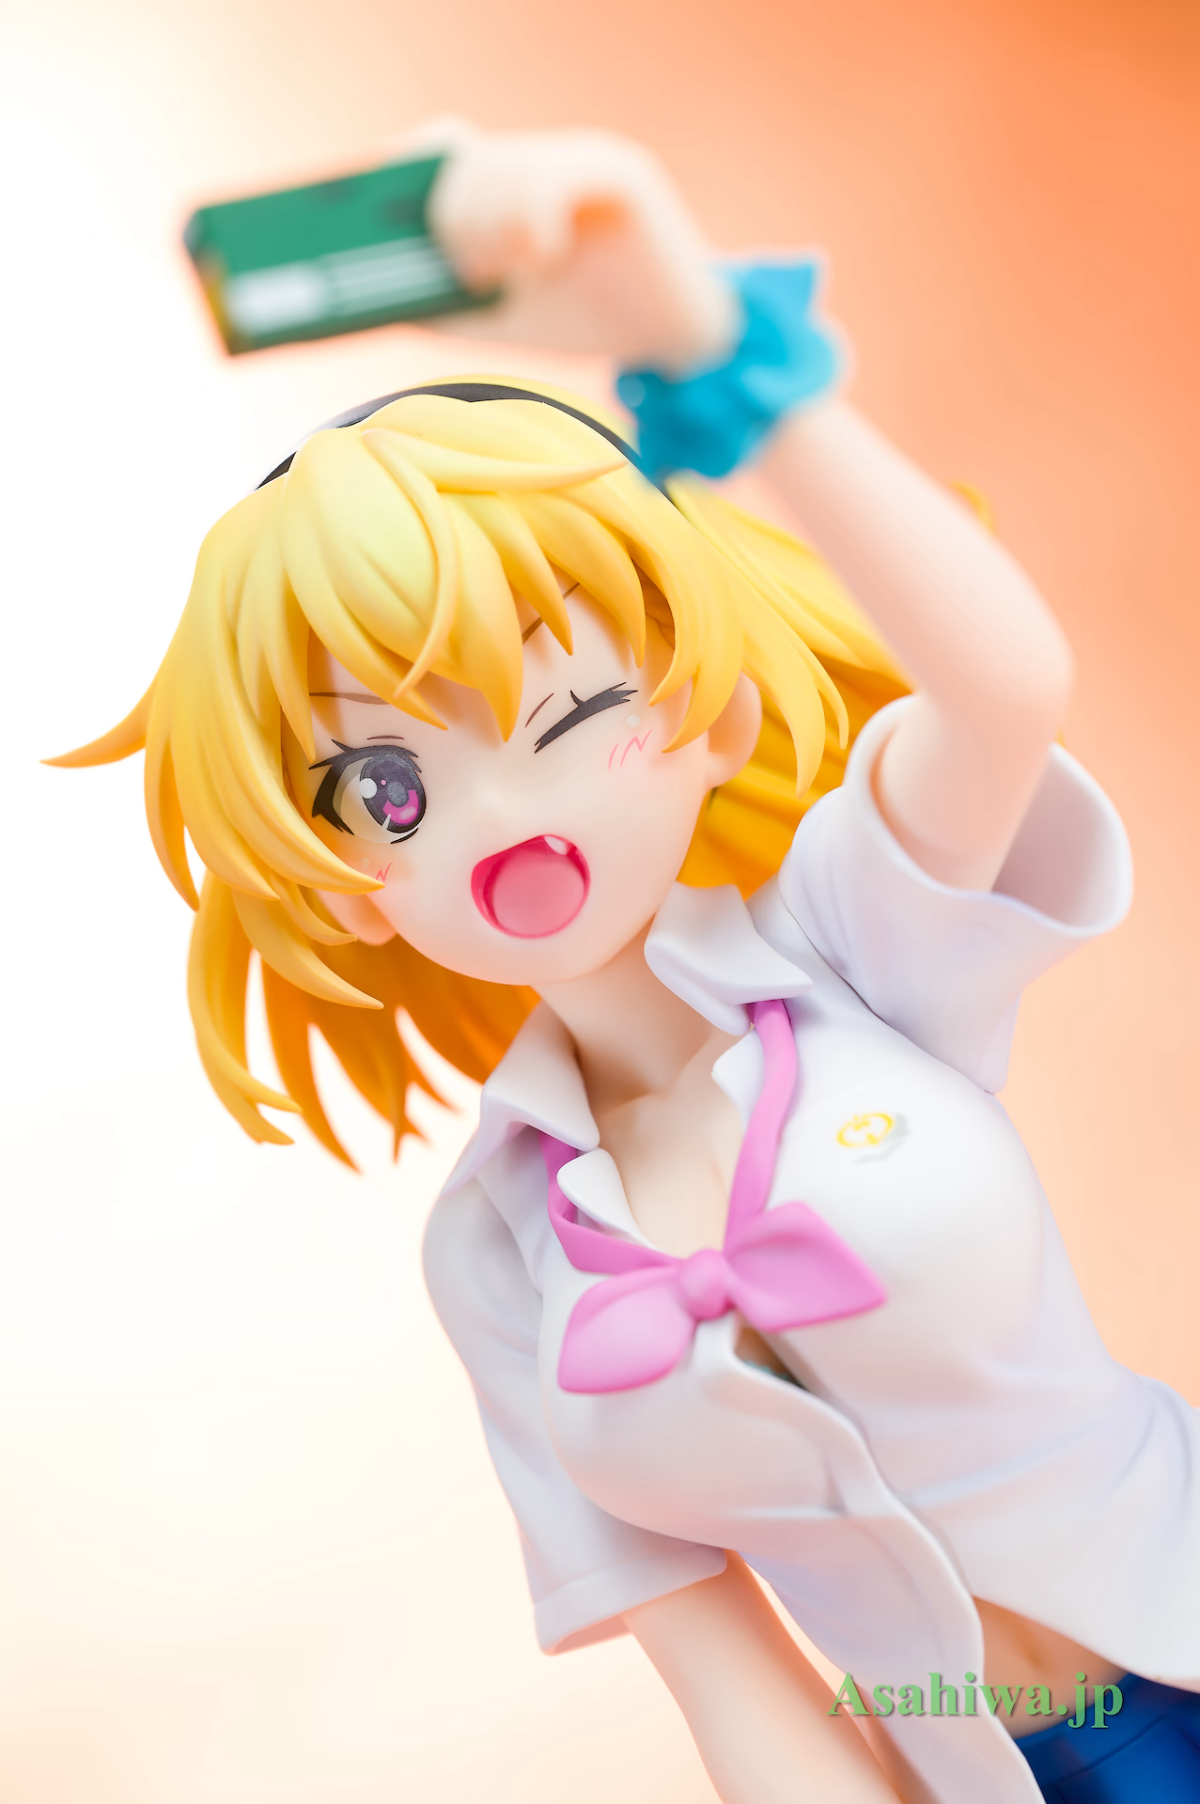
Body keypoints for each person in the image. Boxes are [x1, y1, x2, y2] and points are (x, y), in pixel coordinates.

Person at [55, 127, 1200, 1803]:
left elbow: (1005, 686)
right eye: (388, 790)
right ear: (343, 882)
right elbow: (715, 1656)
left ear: (711, 716)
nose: (505, 816)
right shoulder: (497, 1252)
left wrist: (716, 352)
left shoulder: (851, 942)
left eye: (574, 708)